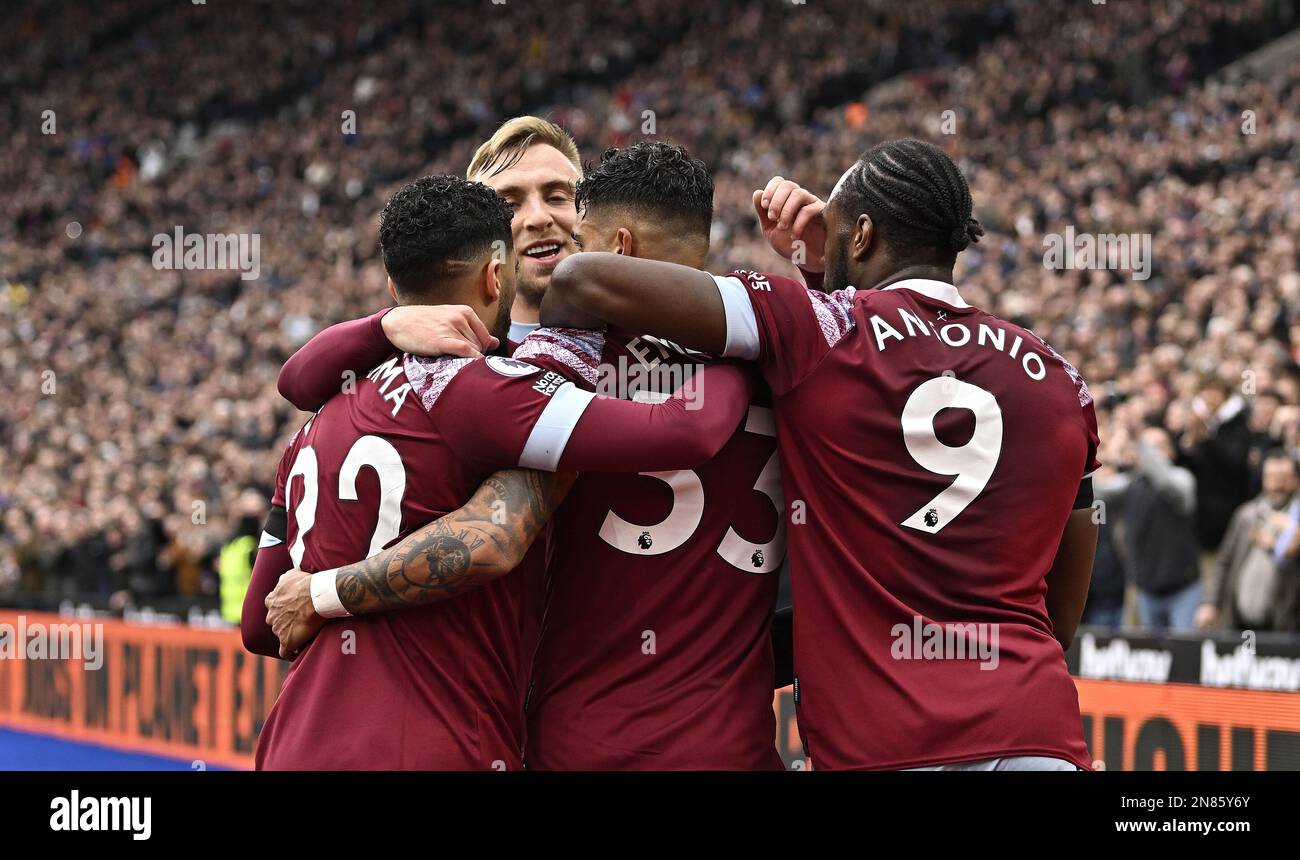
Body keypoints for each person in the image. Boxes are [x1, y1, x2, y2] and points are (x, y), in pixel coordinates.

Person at [541, 139, 1101, 771]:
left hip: (886, 744)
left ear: (860, 235)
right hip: (1036, 730)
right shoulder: (1058, 376)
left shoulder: (821, 327)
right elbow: (1070, 569)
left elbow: (583, 277)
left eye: (832, 227)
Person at [269, 143, 797, 770]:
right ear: (489, 252)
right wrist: (821, 279)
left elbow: (492, 536)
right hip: (727, 745)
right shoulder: (771, 340)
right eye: (509, 202)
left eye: (560, 197)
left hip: (549, 743)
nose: (543, 218)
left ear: (600, 230)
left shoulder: (529, 380)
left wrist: (323, 592)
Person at [1198, 450, 1300, 632]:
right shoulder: (1247, 515)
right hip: (1243, 622)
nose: (1278, 484)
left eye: (1284, 477)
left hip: (1284, 623)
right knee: (1245, 656)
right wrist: (1212, 603)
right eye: (1272, 477)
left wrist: (1276, 545)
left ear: (1296, 480)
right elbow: (1225, 560)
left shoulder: (1296, 519)